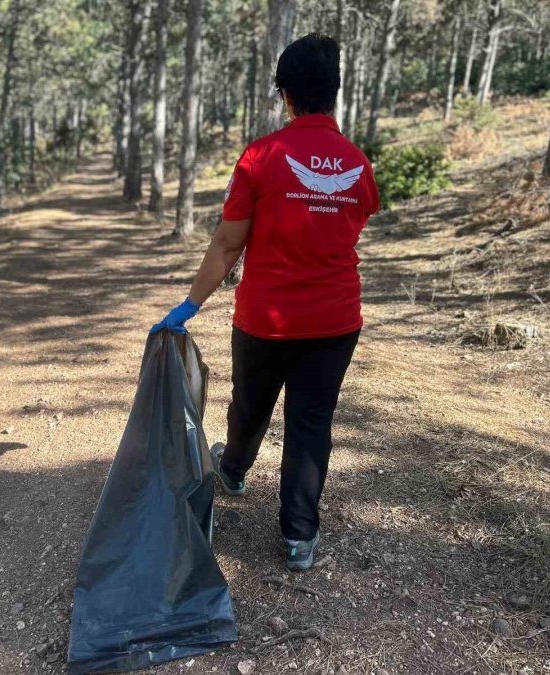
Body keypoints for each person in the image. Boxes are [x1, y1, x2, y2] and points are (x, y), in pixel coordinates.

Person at [151, 34, 379, 571]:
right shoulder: (358, 162)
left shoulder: (262, 155)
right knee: (311, 421)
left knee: (251, 404)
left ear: (285, 95)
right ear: (334, 92)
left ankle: (232, 471)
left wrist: (190, 304)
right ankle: (299, 537)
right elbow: (353, 222)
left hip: (266, 321)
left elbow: (228, 242)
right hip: (335, 321)